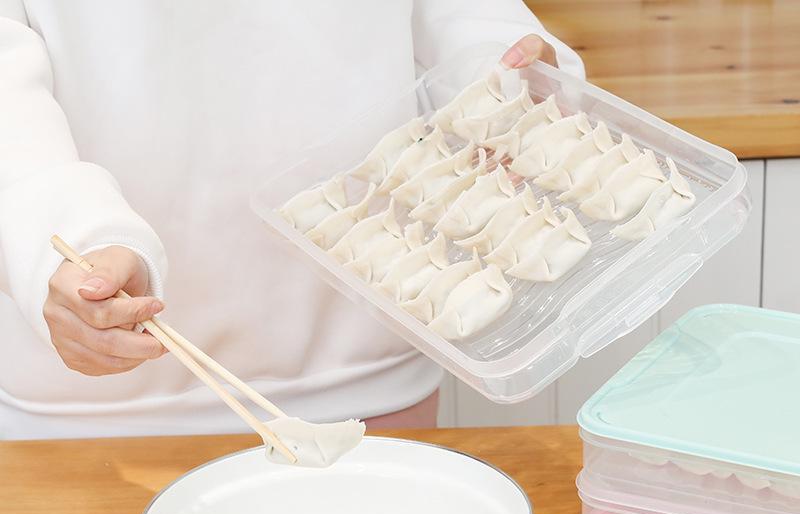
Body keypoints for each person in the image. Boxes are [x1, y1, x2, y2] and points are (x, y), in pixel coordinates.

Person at [0, 1, 583, 439]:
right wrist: (72, 242)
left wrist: (505, 83)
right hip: (83, 405)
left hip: (361, 365)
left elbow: (465, 17)